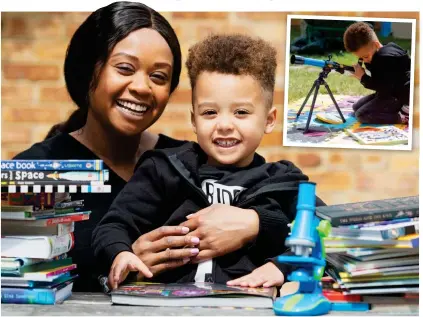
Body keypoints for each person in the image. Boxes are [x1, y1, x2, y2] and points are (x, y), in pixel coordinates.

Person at [12, 2, 297, 292]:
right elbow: (17, 274)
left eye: (158, 76)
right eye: (125, 68)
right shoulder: (36, 171)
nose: (141, 87)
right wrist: (124, 263)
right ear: (89, 70)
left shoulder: (191, 160)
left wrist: (257, 222)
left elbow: (325, 229)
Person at [92, 34, 325, 290]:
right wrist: (121, 254)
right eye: (210, 112)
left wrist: (282, 265)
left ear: (269, 120)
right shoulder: (164, 169)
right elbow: (114, 225)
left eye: (241, 112)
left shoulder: (284, 183)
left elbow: (329, 230)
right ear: (194, 120)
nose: (224, 125)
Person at [343, 21, 411, 124]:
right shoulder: (384, 50)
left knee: (361, 115)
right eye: (361, 58)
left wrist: (362, 77)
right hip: (389, 93)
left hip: (400, 98)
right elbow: (381, 79)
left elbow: (382, 86)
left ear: (375, 44)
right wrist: (366, 63)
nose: (364, 60)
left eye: (365, 57)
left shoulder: (385, 58)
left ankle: (403, 116)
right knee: (356, 107)